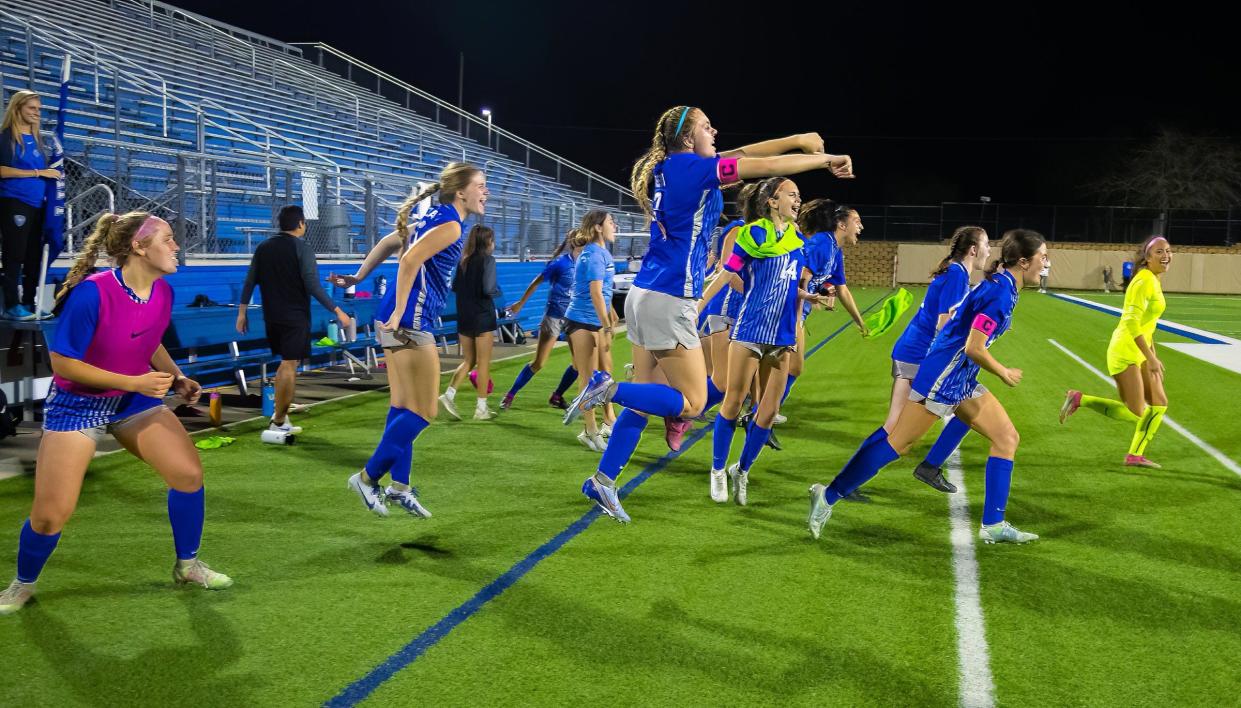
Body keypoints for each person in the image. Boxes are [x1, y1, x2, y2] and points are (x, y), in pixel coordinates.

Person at [564, 105, 854, 523]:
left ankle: (603, 482)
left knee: (647, 400)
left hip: (644, 295)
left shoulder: (672, 167)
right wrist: (826, 160)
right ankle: (606, 389)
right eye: (705, 125)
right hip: (669, 298)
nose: (714, 129)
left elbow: (750, 151)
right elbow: (764, 164)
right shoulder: (694, 170)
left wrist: (798, 139)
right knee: (693, 401)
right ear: (687, 137)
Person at [0, 212, 232, 615]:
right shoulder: (93, 292)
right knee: (51, 515)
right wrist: (136, 383)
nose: (177, 246)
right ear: (139, 247)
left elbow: (148, 340)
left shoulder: (162, 292)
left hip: (132, 400)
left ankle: (187, 565)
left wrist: (176, 377)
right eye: (168, 239)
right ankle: (22, 584)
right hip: (79, 406)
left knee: (188, 475)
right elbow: (64, 365)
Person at [807, 229, 1048, 545]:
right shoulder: (1001, 293)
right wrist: (1003, 371)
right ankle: (828, 496)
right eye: (1043, 256)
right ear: (1023, 261)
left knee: (1006, 437)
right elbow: (974, 347)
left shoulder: (1005, 287)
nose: (1046, 263)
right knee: (897, 444)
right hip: (942, 376)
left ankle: (994, 524)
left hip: (958, 376)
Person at [346, 162, 488, 518]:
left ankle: (401, 486)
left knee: (402, 405)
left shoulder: (434, 216)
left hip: (394, 315)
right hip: (409, 320)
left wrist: (358, 277)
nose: (485, 192)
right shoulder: (452, 225)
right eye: (481, 186)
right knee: (425, 410)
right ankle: (367, 478)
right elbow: (408, 260)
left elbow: (391, 241)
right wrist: (399, 315)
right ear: (461, 192)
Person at [699, 177, 812, 505]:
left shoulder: (797, 241)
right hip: (749, 330)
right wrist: (699, 304)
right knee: (732, 402)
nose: (798, 200)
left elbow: (787, 285)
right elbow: (727, 272)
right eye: (793, 194)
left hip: (782, 336)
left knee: (768, 410)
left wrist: (809, 296)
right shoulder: (752, 234)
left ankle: (742, 470)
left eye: (799, 195)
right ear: (772, 201)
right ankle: (718, 469)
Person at [888, 226, 990, 493]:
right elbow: (944, 325)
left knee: (972, 409)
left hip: (919, 354)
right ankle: (842, 485)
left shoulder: (957, 272)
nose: (990, 251)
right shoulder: (957, 275)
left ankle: (930, 466)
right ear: (973, 250)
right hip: (918, 356)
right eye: (987, 245)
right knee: (896, 429)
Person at [237, 205, 351, 436]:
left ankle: (281, 417)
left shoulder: (263, 247)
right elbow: (312, 285)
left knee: (289, 363)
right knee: (289, 365)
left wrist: (242, 313)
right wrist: (337, 310)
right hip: (295, 316)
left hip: (272, 316)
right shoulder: (303, 248)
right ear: (300, 224)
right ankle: (278, 420)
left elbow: (250, 281)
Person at [1060, 236, 1172, 468]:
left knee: (1159, 404)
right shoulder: (1143, 282)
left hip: (1140, 350)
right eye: (1159, 252)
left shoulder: (1153, 280)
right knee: (1136, 411)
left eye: (1168, 251)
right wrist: (1149, 357)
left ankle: (1135, 456)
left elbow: (1147, 325)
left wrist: (1153, 355)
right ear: (1147, 258)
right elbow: (1131, 323)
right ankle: (1081, 399)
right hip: (1125, 350)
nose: (1166, 255)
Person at [500, 231, 582, 411]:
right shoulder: (561, 263)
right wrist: (520, 304)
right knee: (538, 363)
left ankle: (557, 395)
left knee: (579, 364)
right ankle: (510, 394)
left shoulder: (586, 264)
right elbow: (537, 282)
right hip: (554, 316)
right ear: (575, 243)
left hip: (574, 318)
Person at [0, 90, 61, 320]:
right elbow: (2, 171)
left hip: (38, 206)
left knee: (34, 256)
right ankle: (12, 305)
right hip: (15, 202)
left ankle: (29, 302)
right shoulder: (6, 138)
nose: (37, 113)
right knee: (14, 255)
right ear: (18, 109)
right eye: (32, 108)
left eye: (39, 108)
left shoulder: (37, 140)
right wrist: (38, 172)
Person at [562, 211, 618, 451]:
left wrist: (611, 311)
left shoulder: (602, 253)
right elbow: (595, 291)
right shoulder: (593, 254)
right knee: (588, 379)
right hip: (582, 322)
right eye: (610, 222)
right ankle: (589, 430)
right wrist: (605, 322)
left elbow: (603, 291)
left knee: (603, 375)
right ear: (597, 227)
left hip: (593, 320)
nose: (614, 226)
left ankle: (607, 420)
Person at [441, 225, 503, 421]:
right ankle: (481, 408)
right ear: (487, 242)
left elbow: (456, 288)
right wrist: (497, 294)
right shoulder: (488, 260)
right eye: (492, 240)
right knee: (483, 363)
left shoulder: (463, 262)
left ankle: (449, 395)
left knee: (469, 361)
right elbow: (488, 289)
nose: (494, 244)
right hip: (482, 316)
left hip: (465, 316)